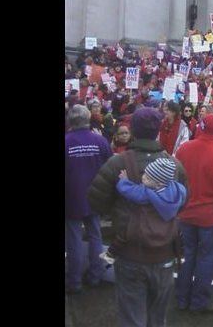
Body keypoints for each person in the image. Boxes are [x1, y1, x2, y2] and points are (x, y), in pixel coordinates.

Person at [87, 108, 188, 327]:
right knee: (158, 317)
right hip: (165, 252)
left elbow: (96, 201)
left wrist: (119, 205)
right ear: (158, 130)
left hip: (130, 251)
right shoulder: (175, 166)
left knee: (132, 317)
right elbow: (182, 202)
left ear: (132, 131)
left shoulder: (118, 164)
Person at [174, 114, 213, 314]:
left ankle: (182, 299)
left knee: (188, 255)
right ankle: (199, 301)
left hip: (186, 211)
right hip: (209, 215)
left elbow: (175, 176)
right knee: (207, 258)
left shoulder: (184, 149)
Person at [101, 157, 188, 265]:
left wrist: (124, 181)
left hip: (146, 230)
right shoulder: (177, 189)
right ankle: (181, 255)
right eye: (145, 174)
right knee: (177, 234)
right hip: (169, 223)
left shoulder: (148, 194)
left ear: (158, 185)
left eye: (148, 178)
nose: (143, 178)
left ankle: (111, 254)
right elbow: (184, 194)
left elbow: (131, 191)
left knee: (125, 232)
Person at [65, 105, 113, 295]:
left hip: (72, 197)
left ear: (71, 121)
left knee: (74, 239)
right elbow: (110, 167)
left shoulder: (66, 142)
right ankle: (95, 275)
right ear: (87, 120)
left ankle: (75, 281)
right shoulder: (99, 141)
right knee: (95, 235)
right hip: (95, 196)